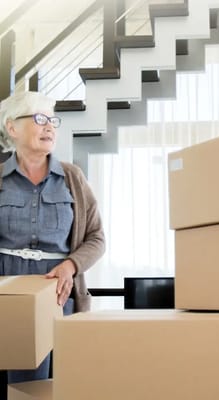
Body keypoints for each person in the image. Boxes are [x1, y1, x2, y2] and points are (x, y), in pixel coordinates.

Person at [0, 91, 105, 391]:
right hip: (10, 301)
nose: (49, 127)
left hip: (62, 298)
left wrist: (71, 265)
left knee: (69, 383)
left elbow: (96, 237)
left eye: (52, 120)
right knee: (23, 387)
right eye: (39, 118)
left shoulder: (73, 177)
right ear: (12, 128)